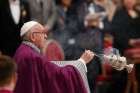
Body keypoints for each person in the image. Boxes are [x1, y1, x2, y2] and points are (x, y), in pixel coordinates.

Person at [13, 21, 95, 93]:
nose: (45, 36)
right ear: (33, 36)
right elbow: (59, 76)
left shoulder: (21, 51)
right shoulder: (33, 57)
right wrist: (81, 62)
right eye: (43, 33)